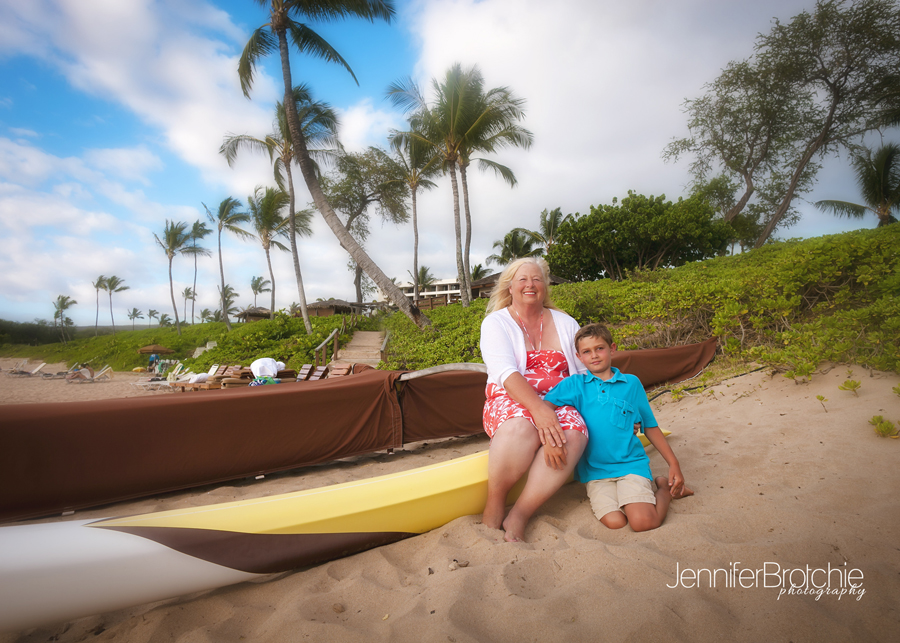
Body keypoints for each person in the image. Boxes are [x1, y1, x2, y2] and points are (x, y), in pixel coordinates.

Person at [480, 257, 589, 542]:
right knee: (521, 426)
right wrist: (540, 412)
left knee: (574, 435)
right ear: (510, 287)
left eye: (537, 279)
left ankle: (520, 513)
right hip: (510, 396)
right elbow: (505, 373)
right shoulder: (496, 323)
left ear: (546, 286)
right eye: (523, 279)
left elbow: (582, 372)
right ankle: (494, 503)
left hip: (560, 399)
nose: (530, 285)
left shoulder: (566, 323)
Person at [544, 323, 693, 532]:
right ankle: (634, 499)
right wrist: (549, 439)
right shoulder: (573, 385)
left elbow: (650, 426)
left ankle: (664, 490)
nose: (594, 355)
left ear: (612, 348)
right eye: (587, 351)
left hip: (630, 465)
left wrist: (673, 463)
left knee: (643, 523)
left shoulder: (631, 384)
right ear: (579, 357)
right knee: (616, 523)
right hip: (596, 472)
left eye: (599, 348)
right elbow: (542, 410)